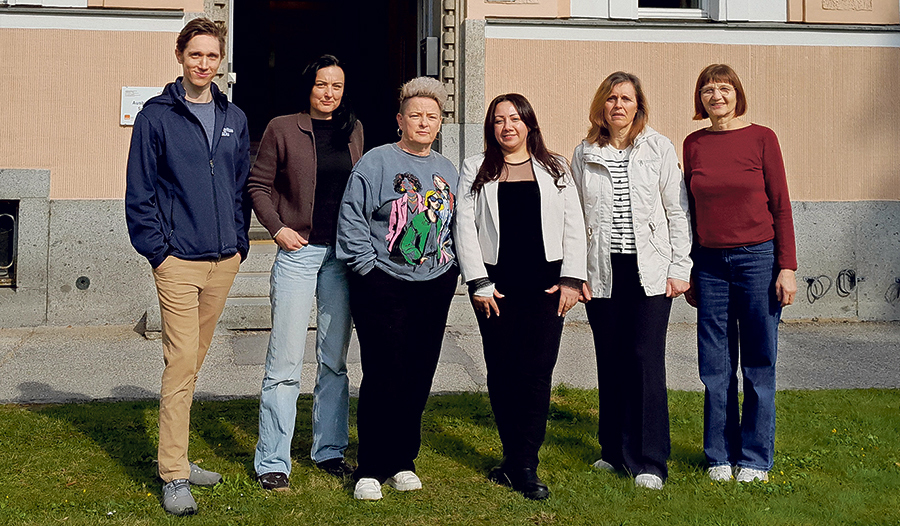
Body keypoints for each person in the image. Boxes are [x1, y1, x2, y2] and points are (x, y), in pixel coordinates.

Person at [125, 18, 250, 516]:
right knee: (180, 364)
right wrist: (159, 252)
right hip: (177, 262)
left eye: (212, 56)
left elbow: (239, 185)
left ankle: (177, 454)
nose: (203, 64)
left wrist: (239, 243)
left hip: (223, 261)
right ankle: (174, 474)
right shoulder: (156, 117)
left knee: (191, 363)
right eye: (195, 54)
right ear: (180, 55)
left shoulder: (233, 116)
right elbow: (140, 193)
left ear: (221, 61)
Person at [454, 93, 586, 500]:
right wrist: (477, 282)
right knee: (503, 370)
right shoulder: (476, 167)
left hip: (546, 287)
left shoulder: (555, 166)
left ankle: (526, 463)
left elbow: (574, 223)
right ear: (490, 128)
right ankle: (512, 457)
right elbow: (464, 225)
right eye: (498, 120)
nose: (507, 126)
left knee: (537, 372)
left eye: (514, 118)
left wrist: (571, 280)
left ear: (529, 123)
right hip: (495, 287)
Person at [336, 77, 460, 501]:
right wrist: (367, 270)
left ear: (440, 123)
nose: (423, 122)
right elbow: (352, 217)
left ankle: (403, 460)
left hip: (434, 283)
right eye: (415, 115)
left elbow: (456, 223)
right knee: (383, 372)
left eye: (431, 116)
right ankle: (371, 467)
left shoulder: (447, 169)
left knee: (419, 373)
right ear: (400, 120)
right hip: (382, 283)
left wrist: (451, 269)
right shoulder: (376, 162)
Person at [246, 54, 363, 491]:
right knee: (285, 361)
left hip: (340, 258)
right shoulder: (282, 128)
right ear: (308, 86)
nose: (329, 93)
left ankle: (329, 450)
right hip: (298, 254)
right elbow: (258, 185)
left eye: (336, 86)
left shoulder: (354, 130)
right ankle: (272, 460)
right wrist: (277, 229)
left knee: (334, 361)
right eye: (321, 84)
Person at [571, 72, 692, 491]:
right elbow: (576, 217)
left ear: (638, 105)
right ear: (601, 106)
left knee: (644, 359)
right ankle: (614, 451)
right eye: (611, 98)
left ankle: (650, 460)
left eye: (626, 98)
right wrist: (577, 273)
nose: (618, 105)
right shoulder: (585, 152)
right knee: (610, 358)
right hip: (603, 270)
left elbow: (677, 211)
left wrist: (680, 267)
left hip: (650, 270)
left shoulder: (658, 147)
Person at [682, 64, 797, 484]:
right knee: (715, 365)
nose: (716, 96)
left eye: (724, 88)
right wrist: (690, 265)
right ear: (700, 99)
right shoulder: (693, 144)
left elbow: (780, 204)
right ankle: (719, 455)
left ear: (737, 94)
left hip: (757, 260)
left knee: (759, 361)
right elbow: (690, 210)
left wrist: (787, 266)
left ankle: (755, 458)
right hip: (710, 264)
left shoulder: (762, 138)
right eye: (708, 90)